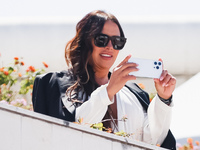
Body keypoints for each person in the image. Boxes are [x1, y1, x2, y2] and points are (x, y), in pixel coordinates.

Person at [32, 10, 176, 149]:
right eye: (102, 40)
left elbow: (153, 141)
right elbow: (72, 133)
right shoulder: (55, 85)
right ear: (86, 42)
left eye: (117, 41)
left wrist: (163, 99)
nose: (110, 47)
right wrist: (108, 92)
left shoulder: (134, 94)